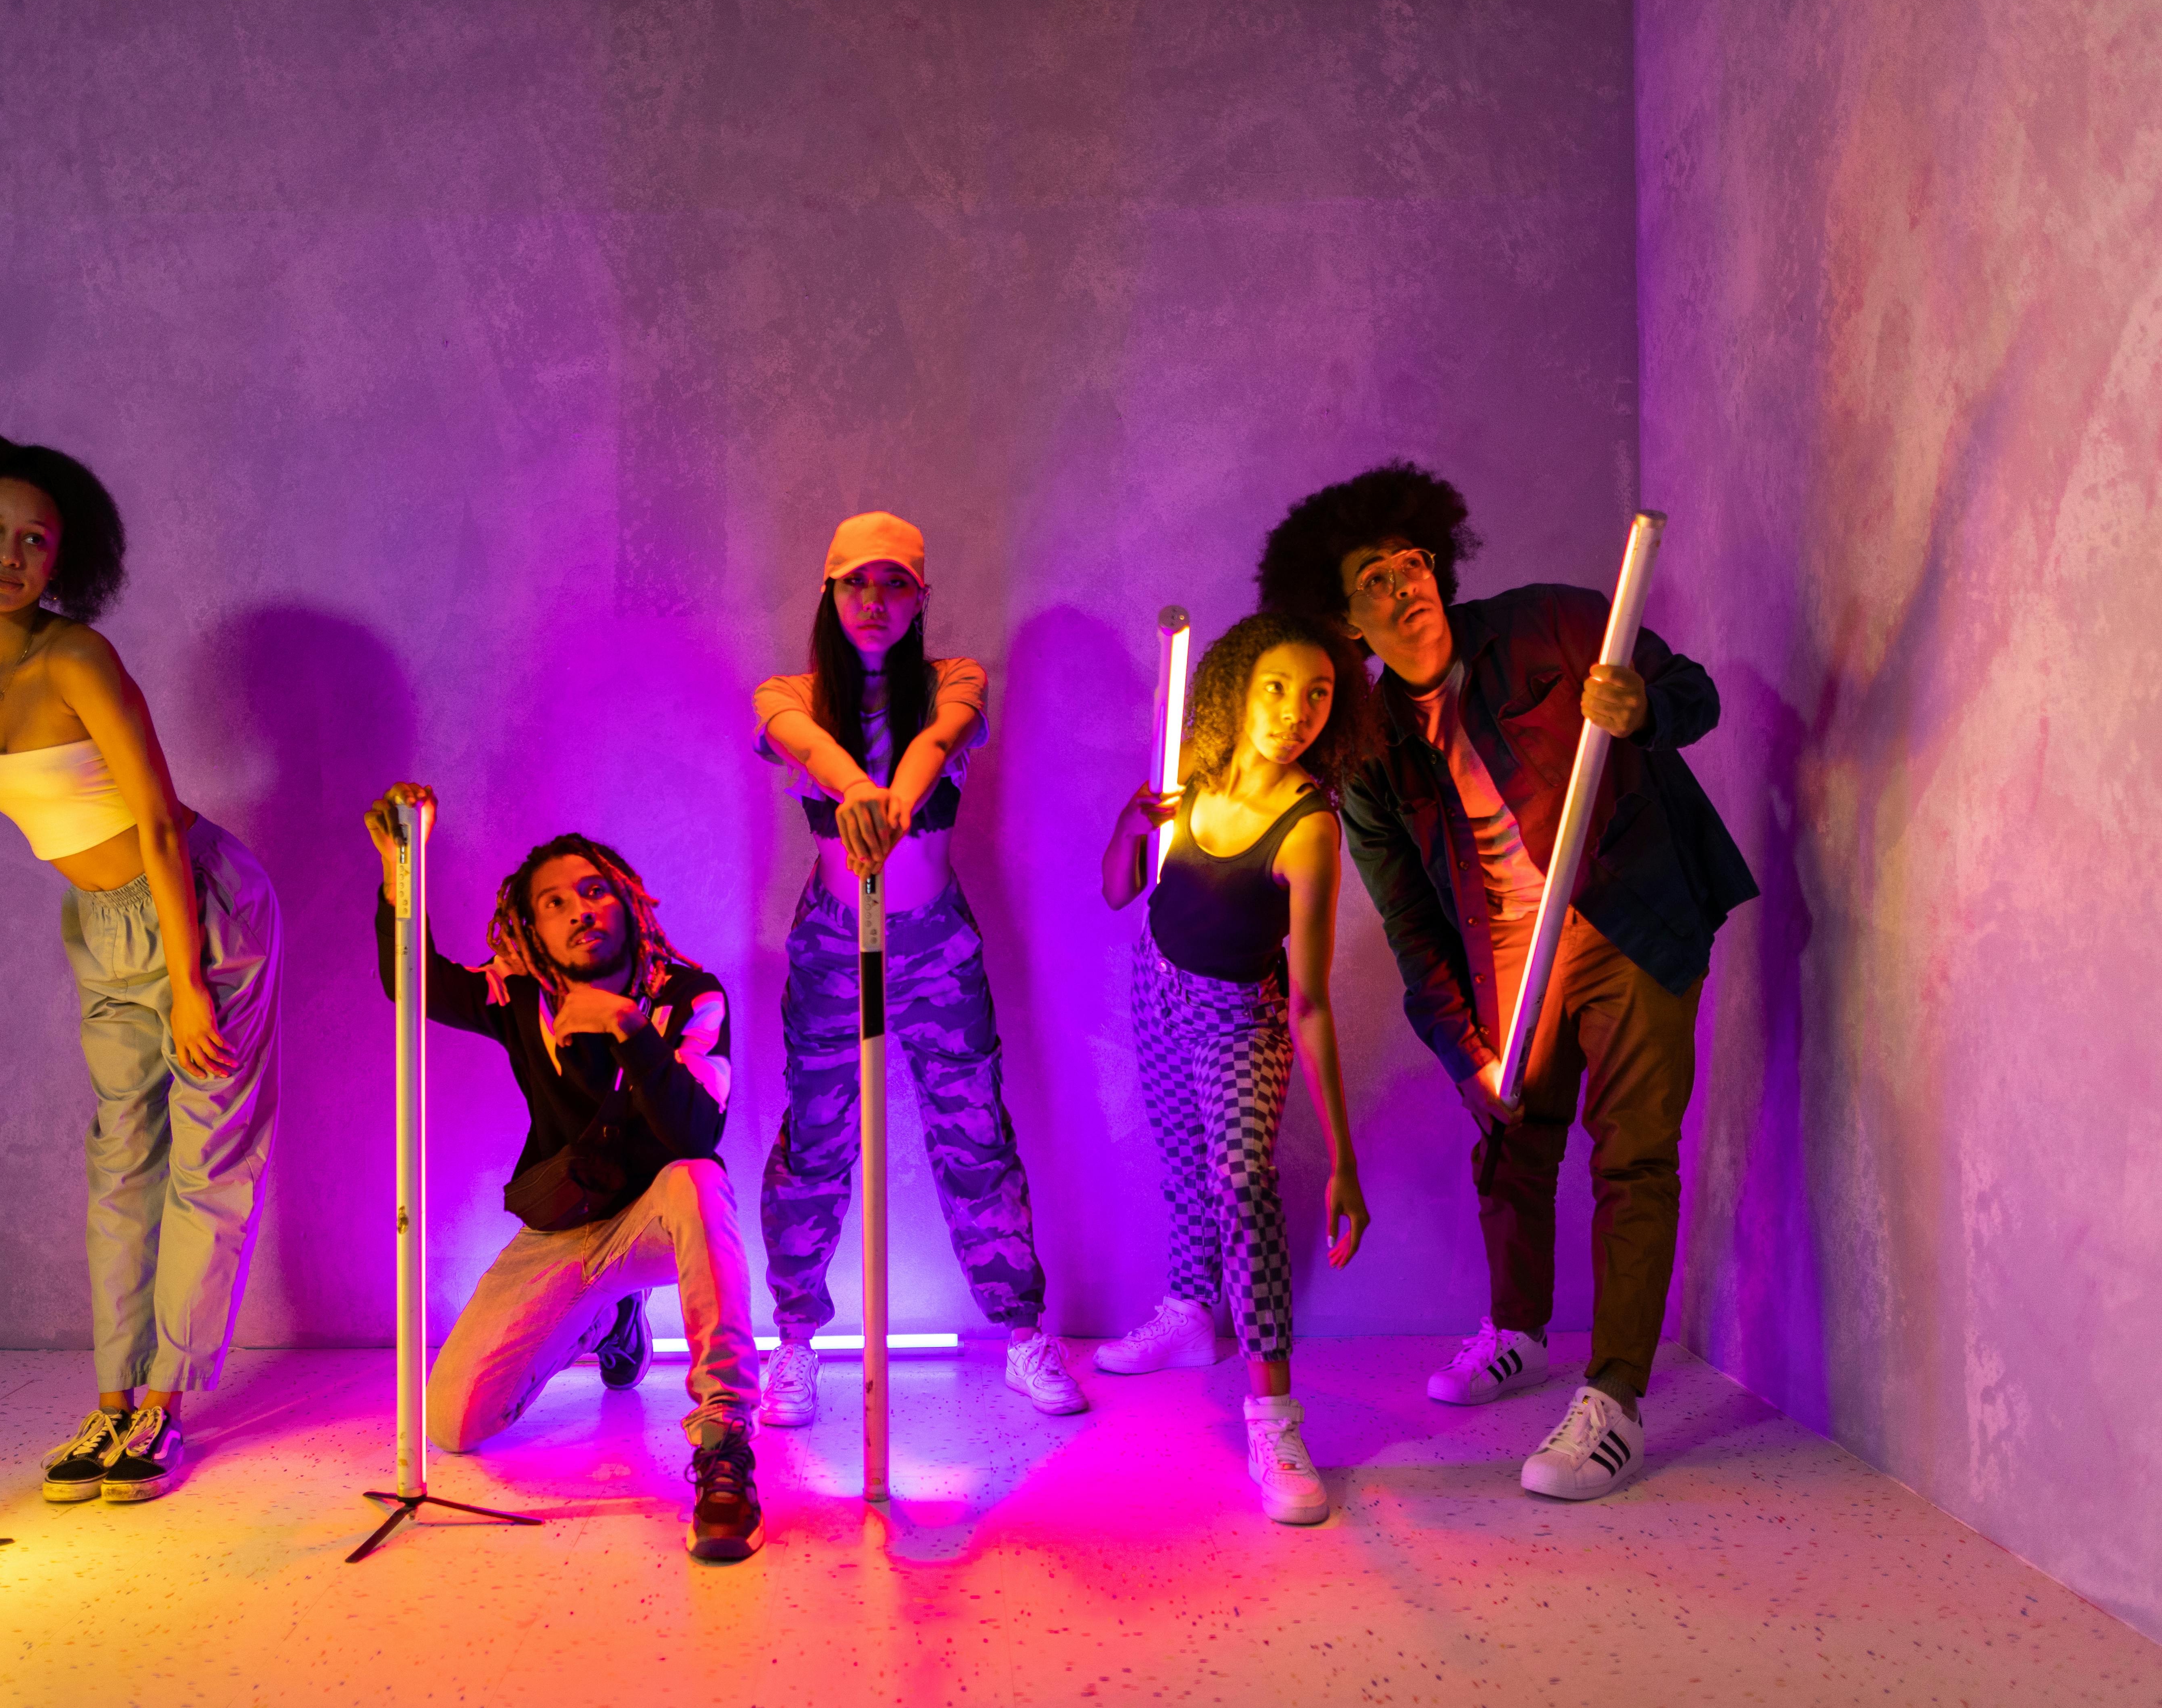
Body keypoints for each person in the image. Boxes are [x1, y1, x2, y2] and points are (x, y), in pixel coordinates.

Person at [1260, 462, 1757, 1500]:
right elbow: (1410, 929)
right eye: (1377, 581)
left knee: (1632, 1152)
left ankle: (1614, 1396)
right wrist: (1465, 1053)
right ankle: (1519, 1333)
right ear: (1349, 624)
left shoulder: (1554, 625)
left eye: (1414, 564)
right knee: (1511, 1133)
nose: (1409, 588)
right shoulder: (1370, 759)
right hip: (1507, 956)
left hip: (1625, 915)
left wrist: (1639, 707)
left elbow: (1694, 694)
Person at [0, 428, 281, 1506]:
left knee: (206, 1158)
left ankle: (166, 1406)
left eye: (34, 540)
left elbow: (162, 828)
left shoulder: (78, 659)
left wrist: (186, 981)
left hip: (199, 909)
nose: (8, 555)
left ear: (60, 561)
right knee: (119, 1159)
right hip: (95, 922)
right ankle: (115, 1397)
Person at [365, 785, 764, 1563]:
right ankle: (606, 1317)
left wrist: (626, 1028)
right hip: (564, 1226)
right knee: (454, 1426)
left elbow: (694, 1132)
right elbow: (410, 985)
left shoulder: (687, 997)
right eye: (553, 903)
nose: (578, 909)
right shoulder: (520, 995)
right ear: (533, 932)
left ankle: (724, 1444)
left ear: (626, 905)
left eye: (592, 891)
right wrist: (397, 875)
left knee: (696, 1182)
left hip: (653, 1214)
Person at [749, 511, 1084, 1425]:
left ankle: (1022, 1334)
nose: (875, 601)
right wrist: (857, 794)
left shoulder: (954, 681)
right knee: (816, 1143)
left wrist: (892, 803)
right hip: (832, 946)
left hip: (936, 943)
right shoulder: (791, 693)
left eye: (896, 583)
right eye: (858, 582)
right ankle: (794, 1342)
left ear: (920, 599)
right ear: (831, 592)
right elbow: (801, 742)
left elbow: (940, 741)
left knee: (975, 1138)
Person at [1095, 612, 1382, 1523]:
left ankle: (1274, 1417)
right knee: (1181, 1158)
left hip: (1237, 1020)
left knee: (1241, 1182)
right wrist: (1129, 824)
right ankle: (1188, 1314)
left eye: (1317, 695)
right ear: (1234, 688)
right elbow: (1116, 890)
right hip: (1156, 984)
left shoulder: (1310, 829)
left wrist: (1342, 1158)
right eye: (1275, 687)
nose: (1294, 711)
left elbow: (1308, 1002)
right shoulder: (1190, 782)